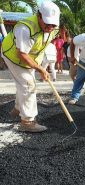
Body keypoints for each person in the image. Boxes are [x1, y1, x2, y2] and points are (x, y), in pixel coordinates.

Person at [1, 1, 60, 132]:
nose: (50, 27)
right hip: (13, 56)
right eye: (47, 23)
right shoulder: (25, 28)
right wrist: (40, 69)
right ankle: (27, 122)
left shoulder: (53, 28)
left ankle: (17, 108)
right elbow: (21, 54)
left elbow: (41, 45)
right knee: (28, 85)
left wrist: (39, 65)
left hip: (30, 57)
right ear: (39, 16)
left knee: (26, 83)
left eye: (53, 24)